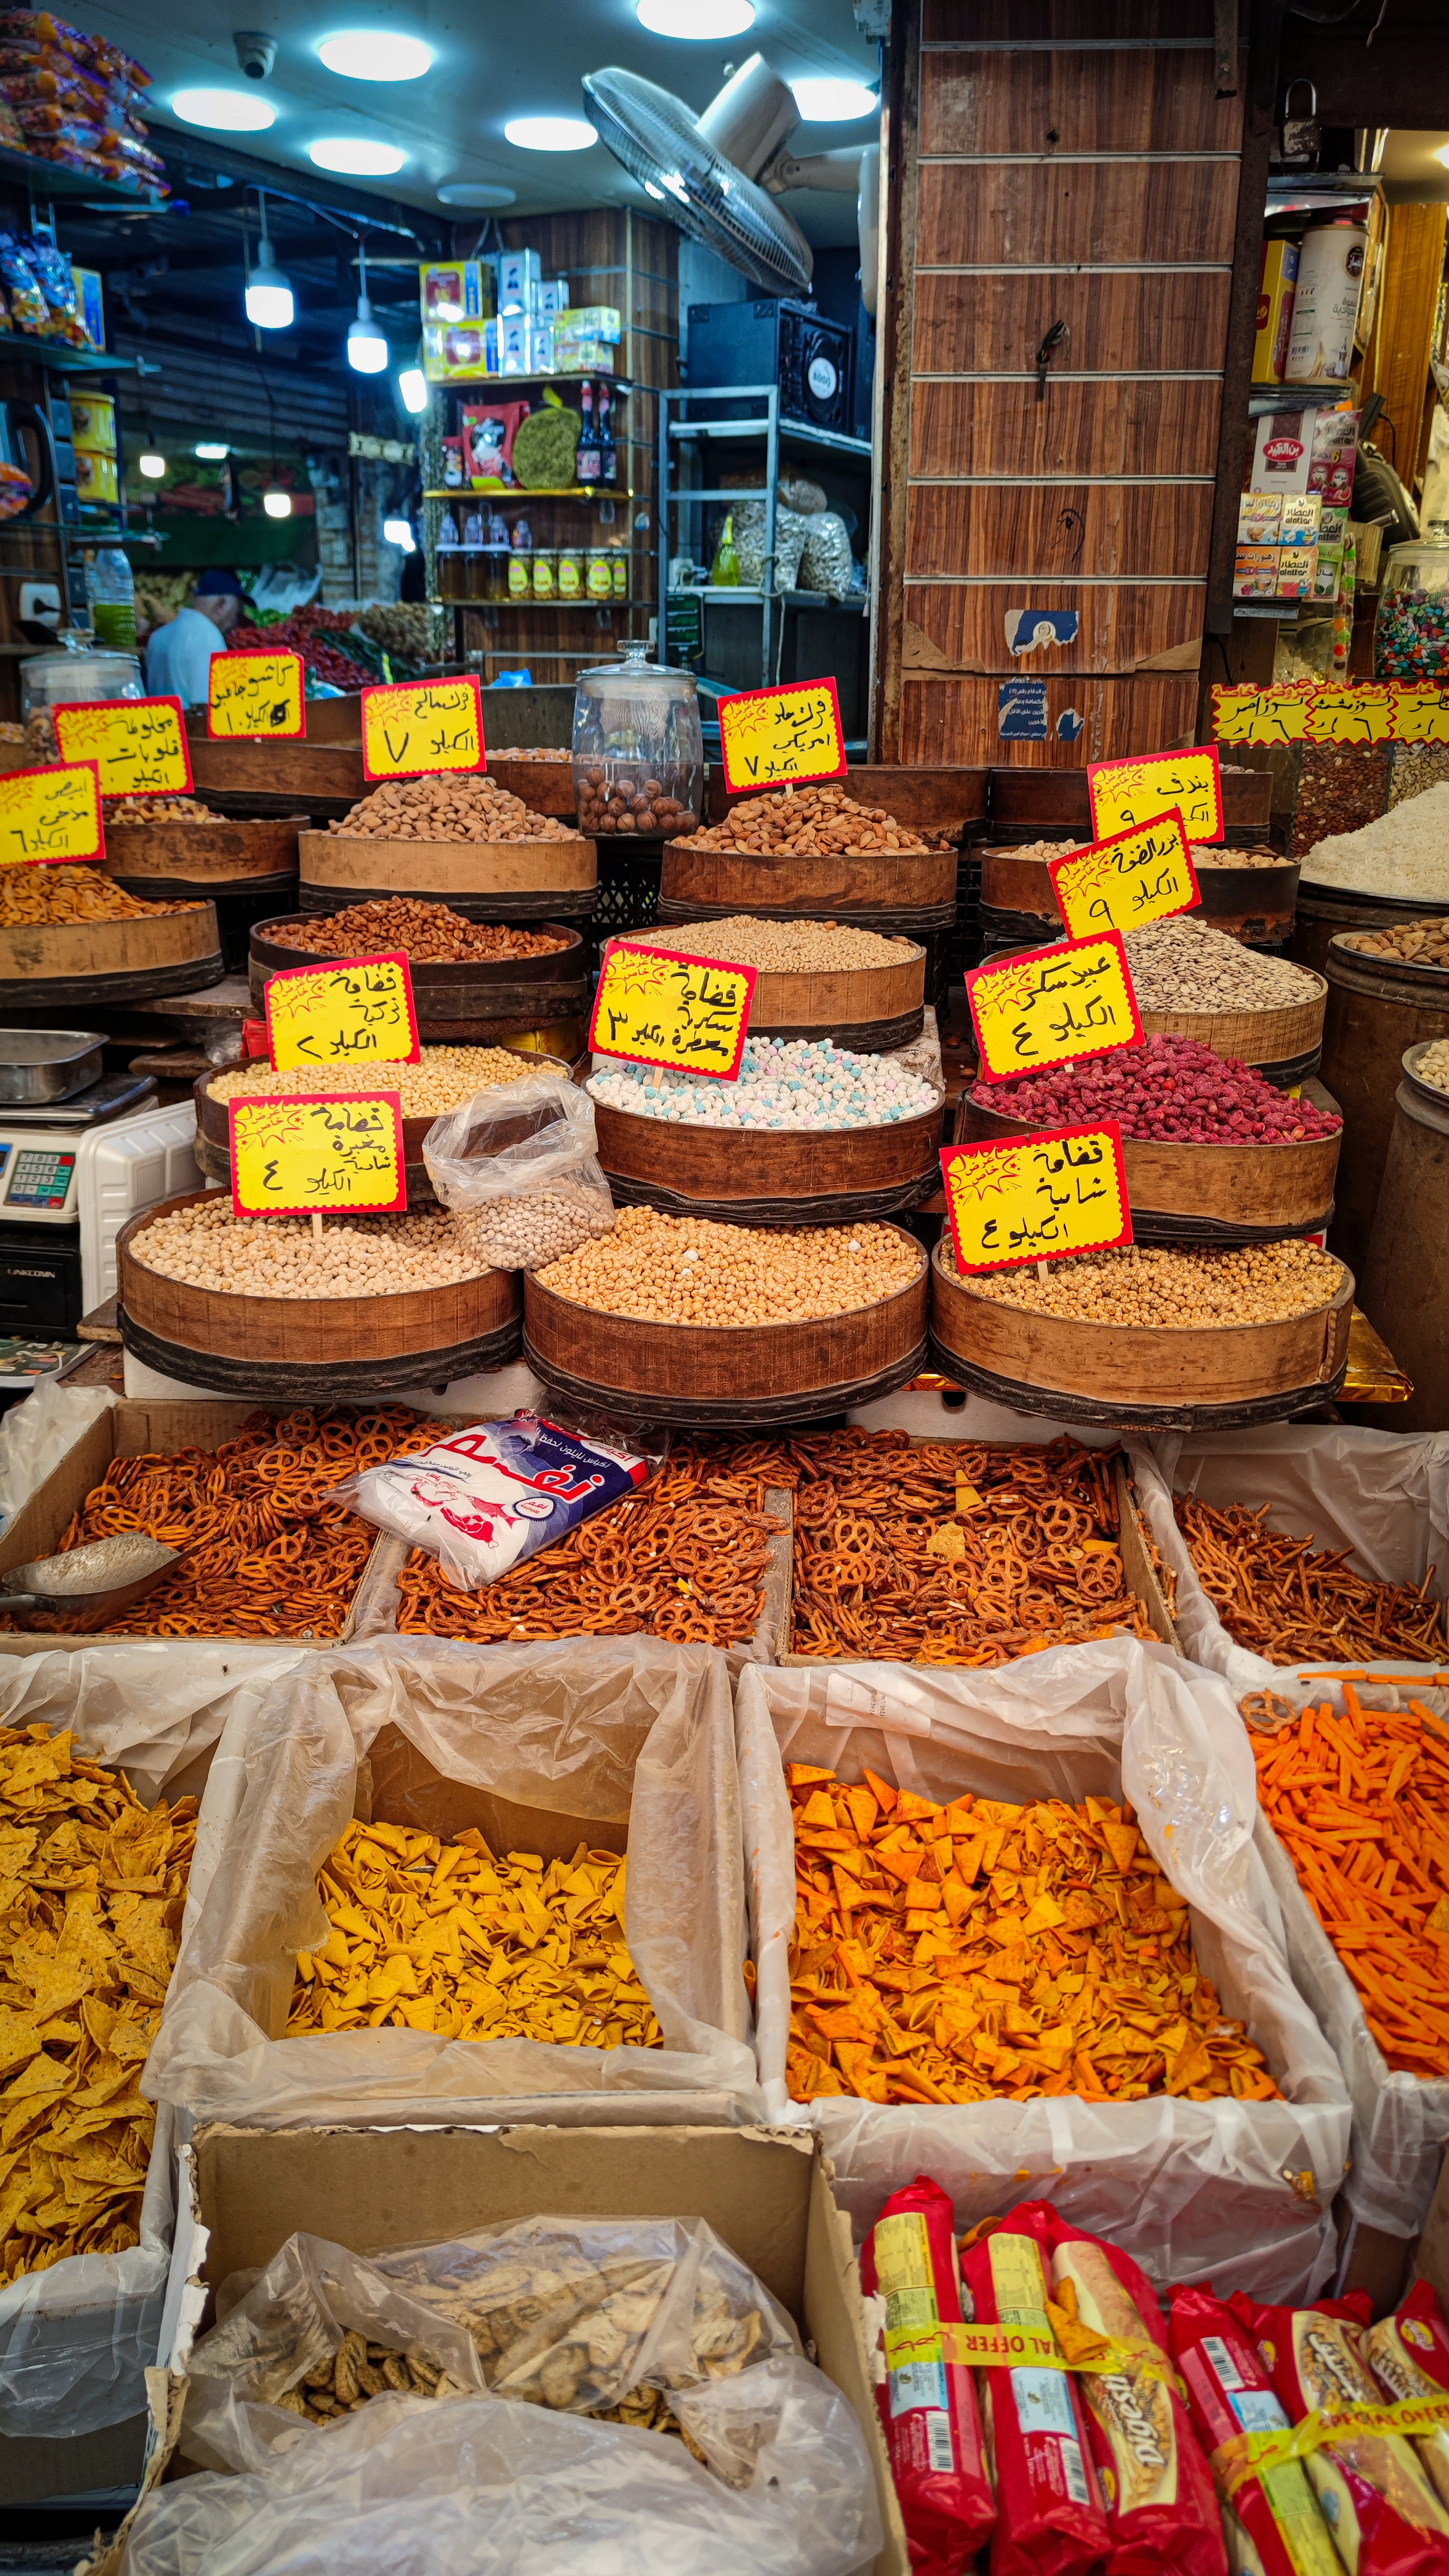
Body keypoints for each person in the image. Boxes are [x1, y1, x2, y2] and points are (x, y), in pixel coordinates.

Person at [143, 568, 245, 703]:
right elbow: (208, 705)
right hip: (192, 718)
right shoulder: (209, 638)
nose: (235, 623)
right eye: (237, 613)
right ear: (221, 605)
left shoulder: (157, 638)